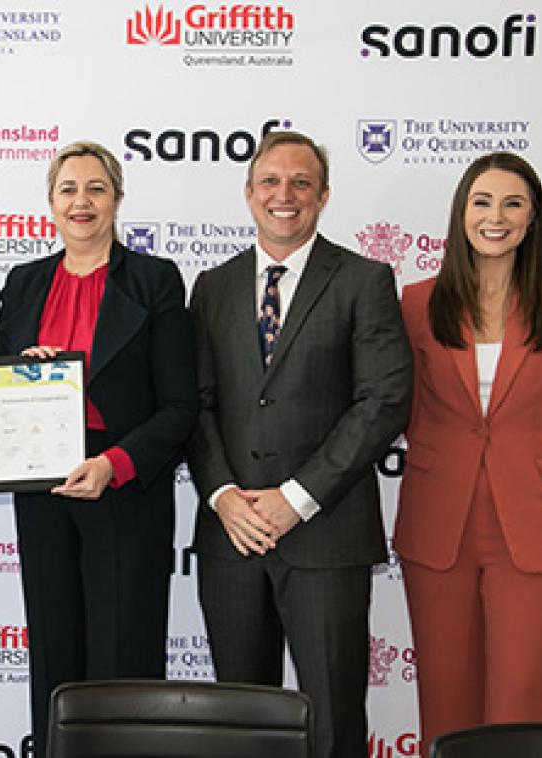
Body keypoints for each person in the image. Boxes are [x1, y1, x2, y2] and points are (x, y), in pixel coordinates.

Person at [186, 130, 412, 758]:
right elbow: (195, 404)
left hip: (326, 536)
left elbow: (383, 401)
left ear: (323, 196)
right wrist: (225, 494)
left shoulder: (364, 279)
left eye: (300, 183)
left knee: (334, 720)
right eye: (270, 182)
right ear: (249, 193)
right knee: (239, 722)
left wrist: (297, 498)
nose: (284, 195)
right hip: (232, 540)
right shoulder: (213, 286)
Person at [0, 140, 198, 757]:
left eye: (95, 189)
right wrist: (16, 373)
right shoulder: (24, 282)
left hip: (124, 484)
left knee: (124, 654)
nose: (81, 203)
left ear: (117, 198)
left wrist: (116, 464)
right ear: (50, 203)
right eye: (68, 190)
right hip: (40, 483)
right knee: (55, 650)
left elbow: (181, 406)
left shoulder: (154, 280)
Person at [396, 152, 542, 756]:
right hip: (438, 525)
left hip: (529, 523)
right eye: (482, 202)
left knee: (521, 697)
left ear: (533, 219)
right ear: (461, 213)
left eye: (513, 203)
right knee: (446, 693)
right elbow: (391, 407)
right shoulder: (416, 303)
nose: (496, 216)